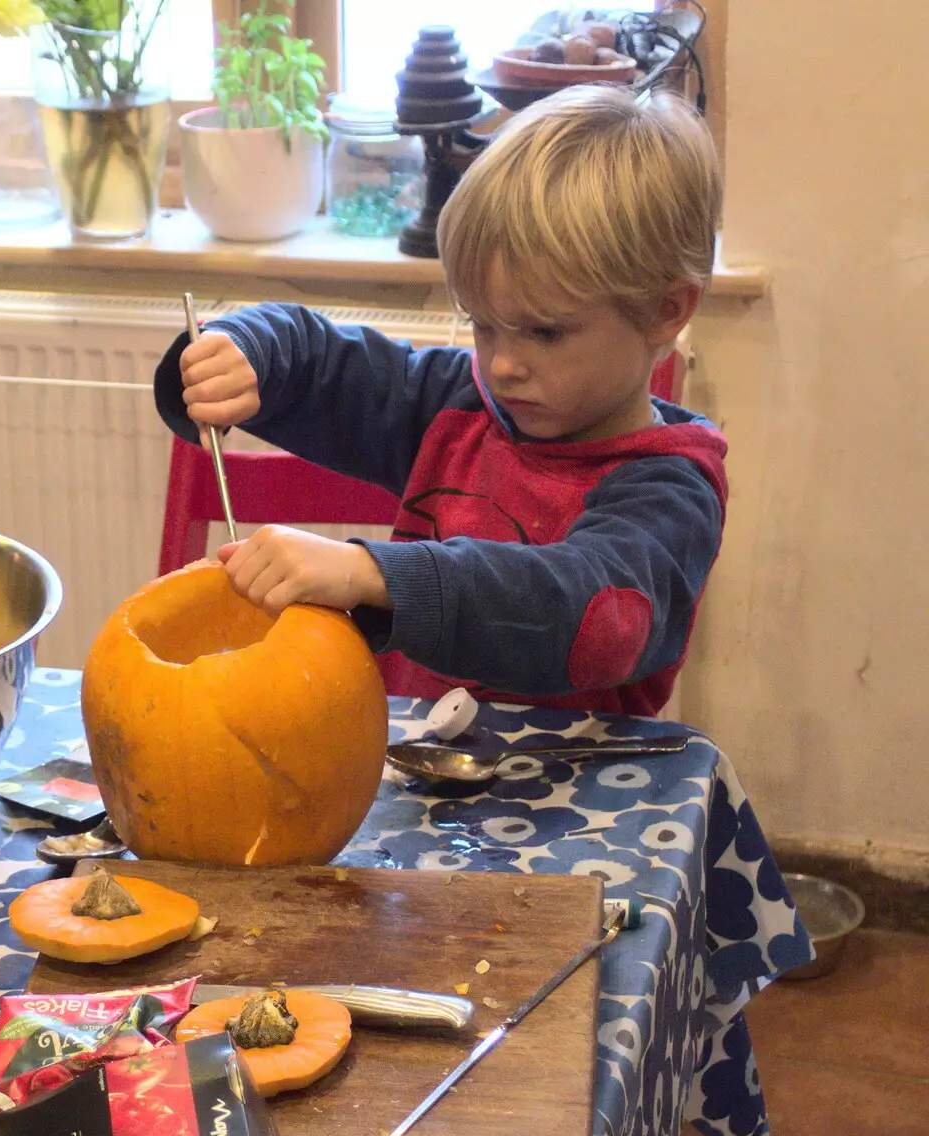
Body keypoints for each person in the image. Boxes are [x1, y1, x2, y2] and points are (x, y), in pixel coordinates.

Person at [153, 85, 725, 716]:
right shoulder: (456, 407)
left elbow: (591, 616)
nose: (503, 364)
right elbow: (321, 363)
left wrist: (373, 575)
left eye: (545, 332)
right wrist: (244, 352)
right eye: (484, 325)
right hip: (417, 781)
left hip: (582, 801)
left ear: (666, 312)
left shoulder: (670, 488)